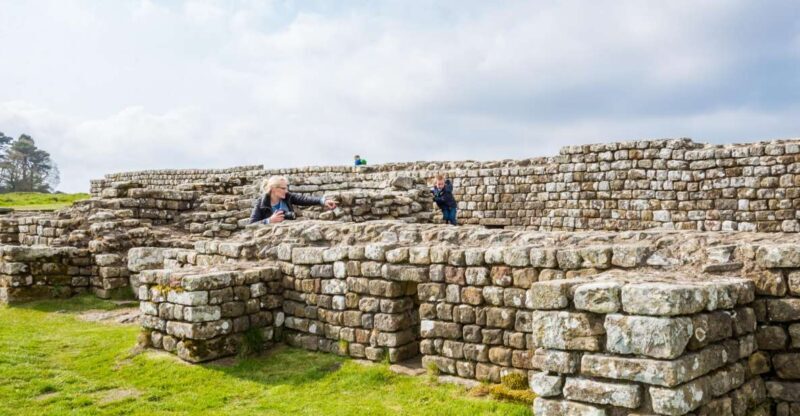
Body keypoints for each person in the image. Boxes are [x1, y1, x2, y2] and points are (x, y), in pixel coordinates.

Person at [249, 175, 337, 224]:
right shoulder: (261, 203)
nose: (286, 191)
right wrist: (269, 220)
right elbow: (251, 225)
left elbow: (304, 199)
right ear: (273, 189)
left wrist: (323, 201)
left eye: (286, 188)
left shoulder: (288, 197)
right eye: (283, 188)